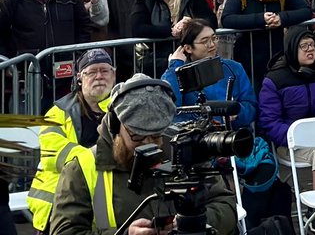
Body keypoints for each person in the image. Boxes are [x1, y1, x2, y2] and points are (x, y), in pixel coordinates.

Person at [49, 73, 237, 235]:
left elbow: (226, 205)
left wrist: (191, 223)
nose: (148, 144)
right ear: (116, 126)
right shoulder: (81, 169)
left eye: (156, 135)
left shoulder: (182, 151)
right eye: (137, 136)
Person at [259, 25, 315, 232]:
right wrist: (299, 134)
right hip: (290, 143)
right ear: (291, 49)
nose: (310, 50)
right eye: (304, 46)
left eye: (313, 45)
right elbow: (270, 121)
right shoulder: (275, 80)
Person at [27, 48, 115, 233]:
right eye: (92, 71)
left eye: (104, 70)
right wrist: (100, 156)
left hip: (106, 199)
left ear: (113, 74)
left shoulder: (122, 110)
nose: (99, 76)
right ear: (80, 77)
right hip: (58, 201)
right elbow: (53, 154)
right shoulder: (57, 112)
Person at [0, 0, 92, 100]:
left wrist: (78, 56)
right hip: (26, 78)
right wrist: (9, 62)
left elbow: (83, 26)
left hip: (66, 75)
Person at [221, 0, 312, 86]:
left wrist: (281, 18)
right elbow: (227, 18)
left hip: (277, 55)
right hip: (248, 57)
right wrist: (260, 19)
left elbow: (306, 10)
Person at [130, 0, 217, 76]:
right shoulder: (144, 1)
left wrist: (190, 25)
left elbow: (211, 20)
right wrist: (171, 31)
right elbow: (137, 29)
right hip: (157, 63)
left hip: (193, 60)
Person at [162, 17, 257, 130]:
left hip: (233, 136)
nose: (212, 44)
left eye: (214, 38)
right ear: (188, 48)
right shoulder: (177, 72)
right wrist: (174, 66)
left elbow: (251, 106)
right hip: (196, 137)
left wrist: (237, 111)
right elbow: (168, 109)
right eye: (205, 41)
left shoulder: (234, 67)